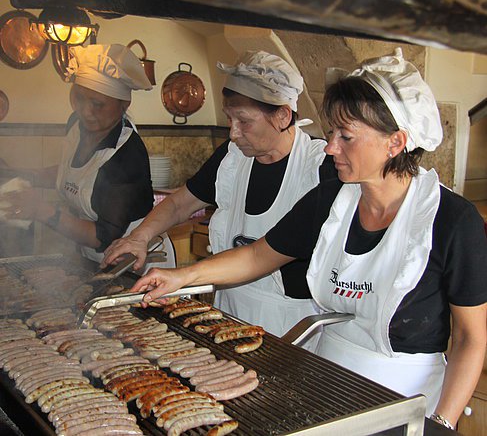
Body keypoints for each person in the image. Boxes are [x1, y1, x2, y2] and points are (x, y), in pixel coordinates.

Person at [127, 48, 487, 427]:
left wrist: (442, 423)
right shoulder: (333, 199)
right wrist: (180, 278)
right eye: (332, 133)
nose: (331, 148)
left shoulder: (451, 220)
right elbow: (256, 257)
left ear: (395, 143)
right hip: (325, 383)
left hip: (407, 400)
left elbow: (470, 339)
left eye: (346, 137)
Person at [102, 50, 337, 349]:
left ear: (282, 115)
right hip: (227, 315)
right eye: (230, 119)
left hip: (290, 328)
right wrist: (140, 236)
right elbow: (180, 203)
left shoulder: (321, 167)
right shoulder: (233, 156)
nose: (233, 133)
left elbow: (258, 256)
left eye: (244, 121)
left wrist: (183, 276)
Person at [0, 43, 173, 265]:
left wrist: (43, 211)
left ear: (124, 104)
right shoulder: (76, 124)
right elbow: (75, 174)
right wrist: (21, 174)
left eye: (97, 104)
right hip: (93, 259)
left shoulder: (127, 156)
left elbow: (102, 236)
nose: (85, 111)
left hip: (133, 265)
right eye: (78, 98)